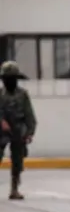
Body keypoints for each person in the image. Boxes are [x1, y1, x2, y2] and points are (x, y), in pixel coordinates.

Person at [0, 61, 37, 200]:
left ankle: (14, 188)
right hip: (1, 130)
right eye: (6, 79)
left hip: (17, 129)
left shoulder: (22, 94)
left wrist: (29, 133)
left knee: (17, 160)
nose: (9, 81)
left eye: (11, 78)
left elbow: (29, 115)